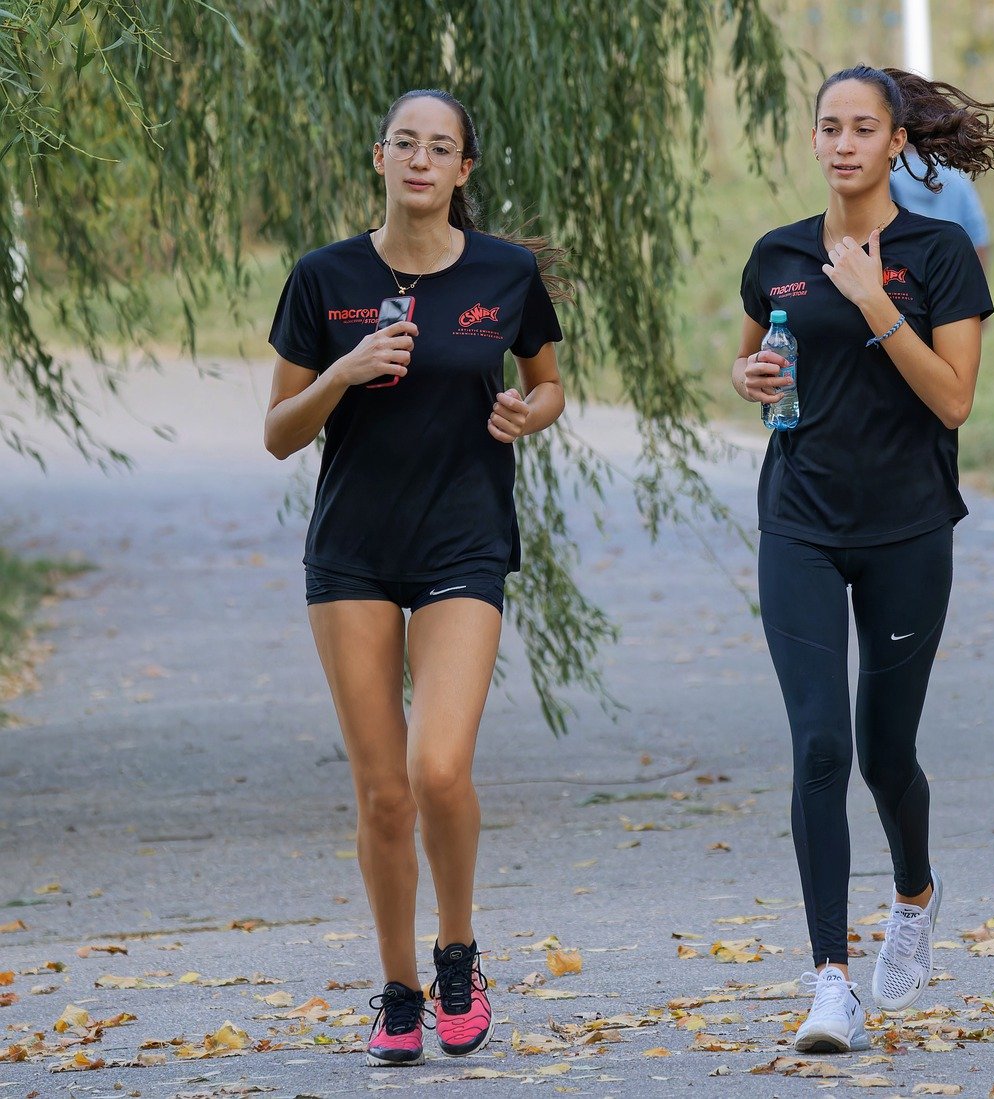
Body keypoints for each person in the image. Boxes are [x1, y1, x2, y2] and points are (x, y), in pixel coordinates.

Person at [263, 89, 566, 1066]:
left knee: (438, 769)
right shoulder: (324, 277)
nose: (422, 160)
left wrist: (529, 412)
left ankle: (458, 952)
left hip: (462, 541)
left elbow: (548, 382)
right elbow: (278, 433)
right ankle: (398, 988)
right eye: (406, 143)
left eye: (441, 147)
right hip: (352, 549)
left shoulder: (505, 272)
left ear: (463, 169)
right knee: (384, 791)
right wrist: (341, 371)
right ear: (381, 157)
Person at [731, 64, 994, 1053]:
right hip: (799, 521)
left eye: (862, 128)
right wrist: (749, 376)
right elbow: (754, 358)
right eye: (828, 127)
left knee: (885, 752)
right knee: (819, 745)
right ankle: (830, 982)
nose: (842, 143)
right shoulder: (777, 253)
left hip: (907, 527)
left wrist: (873, 301)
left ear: (895, 142)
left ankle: (914, 893)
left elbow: (953, 399)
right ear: (813, 140)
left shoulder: (938, 254)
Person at [890, 145, 990, 268]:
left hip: (903, 271)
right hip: (951, 270)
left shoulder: (888, 176)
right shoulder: (957, 177)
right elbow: (979, 240)